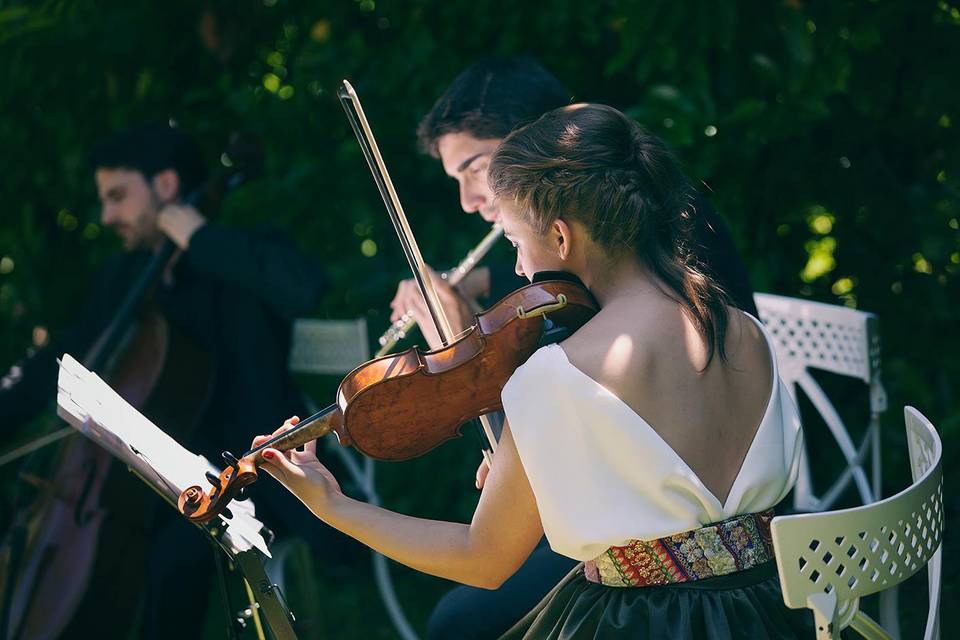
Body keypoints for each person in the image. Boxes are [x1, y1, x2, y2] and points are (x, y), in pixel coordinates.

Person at [254, 103, 812, 639]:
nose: (518, 268)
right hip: (775, 612)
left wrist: (332, 504)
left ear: (562, 237)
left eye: (518, 242)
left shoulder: (556, 376)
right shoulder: (745, 331)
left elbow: (483, 560)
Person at [388, 58, 760, 639]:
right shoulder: (729, 319)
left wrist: (468, 358)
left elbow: (487, 554)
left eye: (476, 169)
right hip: (758, 591)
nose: (466, 201)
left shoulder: (568, 362)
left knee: (456, 625)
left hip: (652, 573)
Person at [0, 123, 332, 638]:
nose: (107, 215)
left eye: (118, 196)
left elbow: (304, 287)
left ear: (168, 187)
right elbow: (57, 362)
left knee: (172, 559)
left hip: (250, 472)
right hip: (150, 487)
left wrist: (199, 237)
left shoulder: (235, 246)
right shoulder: (125, 277)